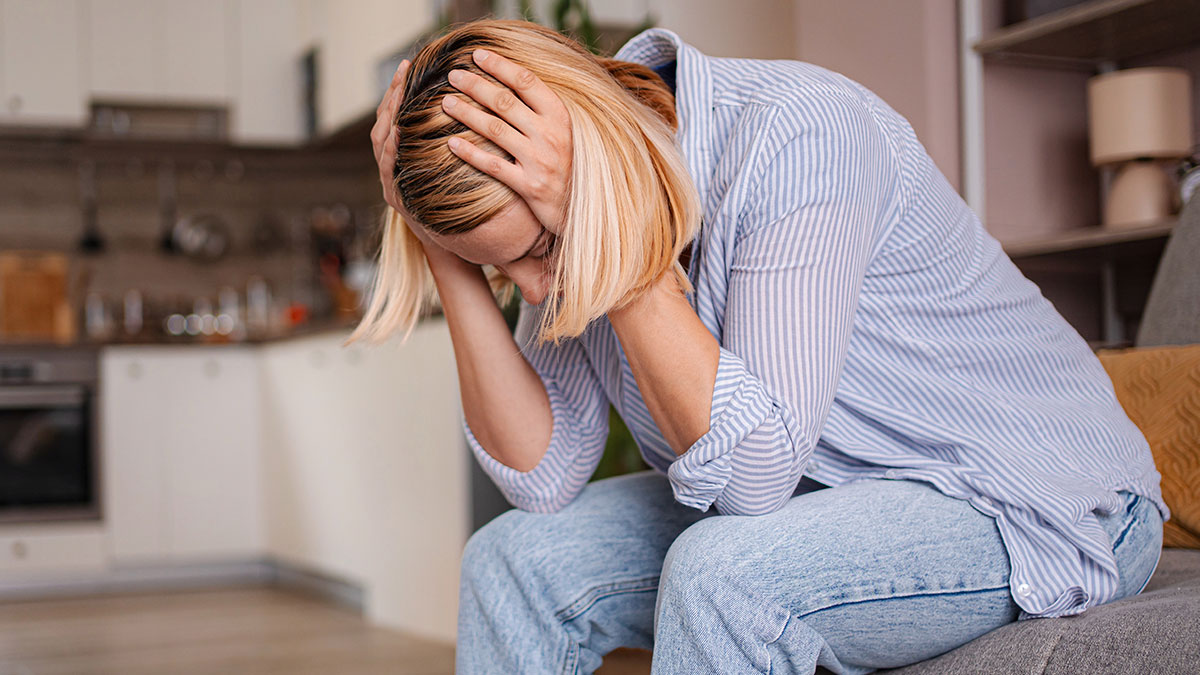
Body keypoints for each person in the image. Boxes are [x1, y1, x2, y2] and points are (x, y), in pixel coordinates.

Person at [353, 18, 1168, 675]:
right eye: (506, 268)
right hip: (830, 494)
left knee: (725, 576)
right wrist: (443, 253)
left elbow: (752, 479)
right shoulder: (553, 204)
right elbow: (545, 471)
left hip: (1031, 494)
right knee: (510, 562)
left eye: (539, 250)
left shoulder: (798, 132)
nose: (535, 291)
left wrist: (609, 220)